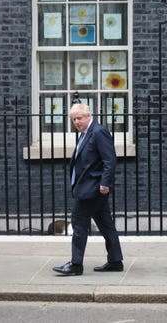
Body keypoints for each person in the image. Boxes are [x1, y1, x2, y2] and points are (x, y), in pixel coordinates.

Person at [53, 102, 123, 276]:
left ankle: (76, 264)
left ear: (88, 116)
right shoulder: (85, 134)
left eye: (79, 118)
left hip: (93, 189)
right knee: (106, 224)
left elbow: (110, 160)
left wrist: (105, 183)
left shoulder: (98, 132)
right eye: (74, 119)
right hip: (91, 188)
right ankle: (115, 261)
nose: (76, 122)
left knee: (78, 223)